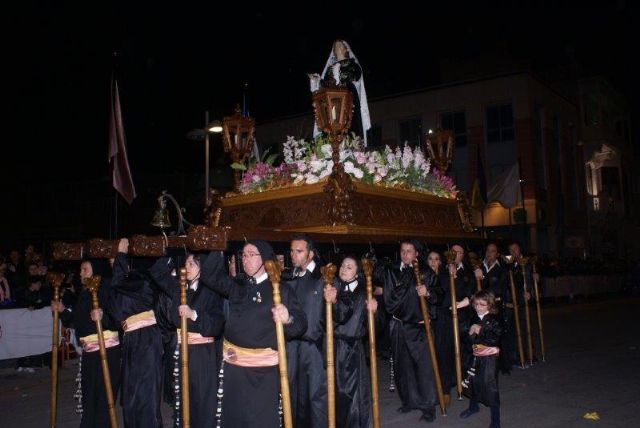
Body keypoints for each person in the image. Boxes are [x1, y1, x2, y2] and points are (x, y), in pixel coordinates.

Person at [201, 241, 307, 428]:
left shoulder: (280, 289)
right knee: (233, 419)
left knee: (260, 421)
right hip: (234, 371)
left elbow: (300, 325)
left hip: (262, 374)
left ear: (265, 259)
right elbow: (209, 276)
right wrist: (217, 244)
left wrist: (287, 317)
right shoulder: (238, 286)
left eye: (252, 254)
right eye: (244, 255)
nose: (246, 259)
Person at [375, 239, 444, 423]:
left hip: (419, 326)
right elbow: (389, 300)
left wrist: (428, 292)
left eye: (409, 251)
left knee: (424, 368)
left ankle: (428, 406)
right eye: (403, 250)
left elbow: (440, 293)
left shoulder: (425, 273)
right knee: (402, 367)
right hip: (398, 325)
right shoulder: (392, 271)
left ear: (416, 254)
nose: (405, 254)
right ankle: (410, 400)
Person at [108, 238, 174, 428]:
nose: (114, 265)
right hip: (131, 341)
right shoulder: (122, 285)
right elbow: (115, 313)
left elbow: (119, 284)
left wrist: (121, 255)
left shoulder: (141, 281)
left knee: (146, 395)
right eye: (112, 263)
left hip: (147, 339)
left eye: (117, 261)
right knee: (130, 396)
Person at [57, 258, 121, 428]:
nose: (80, 273)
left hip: (106, 351)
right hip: (89, 353)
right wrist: (63, 312)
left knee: (103, 398)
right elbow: (79, 321)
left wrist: (103, 317)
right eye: (80, 270)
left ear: (96, 270)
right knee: (89, 396)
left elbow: (118, 317)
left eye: (84, 269)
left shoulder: (107, 290)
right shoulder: (85, 292)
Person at [165, 253, 225, 428]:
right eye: (185, 263)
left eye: (192, 264)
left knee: (203, 401)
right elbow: (174, 319)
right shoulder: (182, 289)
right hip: (183, 350)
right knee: (185, 400)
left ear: (202, 267)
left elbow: (216, 324)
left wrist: (194, 315)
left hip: (202, 355)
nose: (186, 267)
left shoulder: (210, 290)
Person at [324, 255, 377, 428]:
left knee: (352, 394)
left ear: (357, 273)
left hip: (352, 349)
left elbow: (343, 314)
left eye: (349, 267)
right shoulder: (335, 287)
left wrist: (375, 312)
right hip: (335, 346)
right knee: (336, 392)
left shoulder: (362, 292)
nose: (343, 269)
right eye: (343, 265)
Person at [285, 234, 327, 428]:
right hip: (292, 346)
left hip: (314, 346)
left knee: (316, 397)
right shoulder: (289, 276)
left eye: (299, 251)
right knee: (293, 394)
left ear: (310, 253)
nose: (293, 255)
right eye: (292, 251)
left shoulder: (323, 277)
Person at [310, 39, 371, 145]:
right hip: (332, 100)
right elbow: (324, 84)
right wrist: (317, 80)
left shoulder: (352, 64)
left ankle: (352, 145)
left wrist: (340, 74)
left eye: (340, 46)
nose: (337, 48)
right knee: (332, 123)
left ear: (345, 49)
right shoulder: (329, 69)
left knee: (348, 122)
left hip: (348, 97)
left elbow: (356, 76)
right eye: (335, 46)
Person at [460, 290, 504, 428]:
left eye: (482, 304)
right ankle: (473, 407)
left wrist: (481, 330)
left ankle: (496, 420)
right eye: (476, 304)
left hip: (490, 358)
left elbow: (495, 339)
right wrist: (470, 333)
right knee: (473, 382)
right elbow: (466, 339)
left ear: (490, 305)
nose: (478, 307)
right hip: (474, 357)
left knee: (490, 387)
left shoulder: (495, 319)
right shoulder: (472, 318)